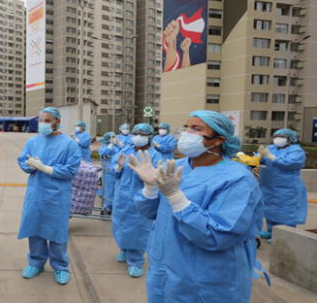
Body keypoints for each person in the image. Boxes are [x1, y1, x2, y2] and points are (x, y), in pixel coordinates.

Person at [132, 110, 264, 303]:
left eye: (196, 129)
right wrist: (150, 188)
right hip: (164, 269)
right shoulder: (175, 167)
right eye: (186, 127)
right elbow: (151, 212)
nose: (186, 133)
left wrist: (177, 198)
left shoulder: (238, 179)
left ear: (218, 140)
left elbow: (218, 235)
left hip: (206, 277)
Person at [17, 107, 81, 285]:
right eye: (41, 120)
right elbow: (23, 160)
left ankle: (60, 266)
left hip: (57, 196)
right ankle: (36, 262)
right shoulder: (33, 141)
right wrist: (30, 165)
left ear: (57, 121)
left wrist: (46, 168)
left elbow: (71, 170)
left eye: (47, 120)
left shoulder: (69, 144)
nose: (43, 124)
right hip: (36, 193)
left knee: (56, 232)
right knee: (35, 229)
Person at [110, 123, 162, 278]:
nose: (138, 137)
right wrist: (118, 167)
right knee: (120, 224)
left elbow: (158, 179)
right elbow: (115, 171)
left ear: (149, 137)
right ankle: (124, 250)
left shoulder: (155, 156)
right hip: (122, 197)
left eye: (142, 134)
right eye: (135, 133)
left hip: (142, 198)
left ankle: (136, 260)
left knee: (138, 228)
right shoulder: (125, 150)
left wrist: (147, 177)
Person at [257, 128, 307, 241]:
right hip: (269, 186)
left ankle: (285, 235)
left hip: (287, 187)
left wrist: (270, 156)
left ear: (290, 139)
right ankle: (271, 231)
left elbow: (290, 163)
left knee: (286, 211)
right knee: (270, 209)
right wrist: (257, 158)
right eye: (275, 136)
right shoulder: (271, 148)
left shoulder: (296, 150)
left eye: (281, 137)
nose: (277, 139)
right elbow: (263, 160)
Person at [99, 132, 120, 215]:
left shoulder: (117, 148)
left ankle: (114, 208)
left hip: (117, 172)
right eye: (112, 138)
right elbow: (103, 154)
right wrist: (110, 145)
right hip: (108, 173)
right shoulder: (103, 148)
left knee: (116, 191)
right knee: (108, 191)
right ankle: (106, 208)